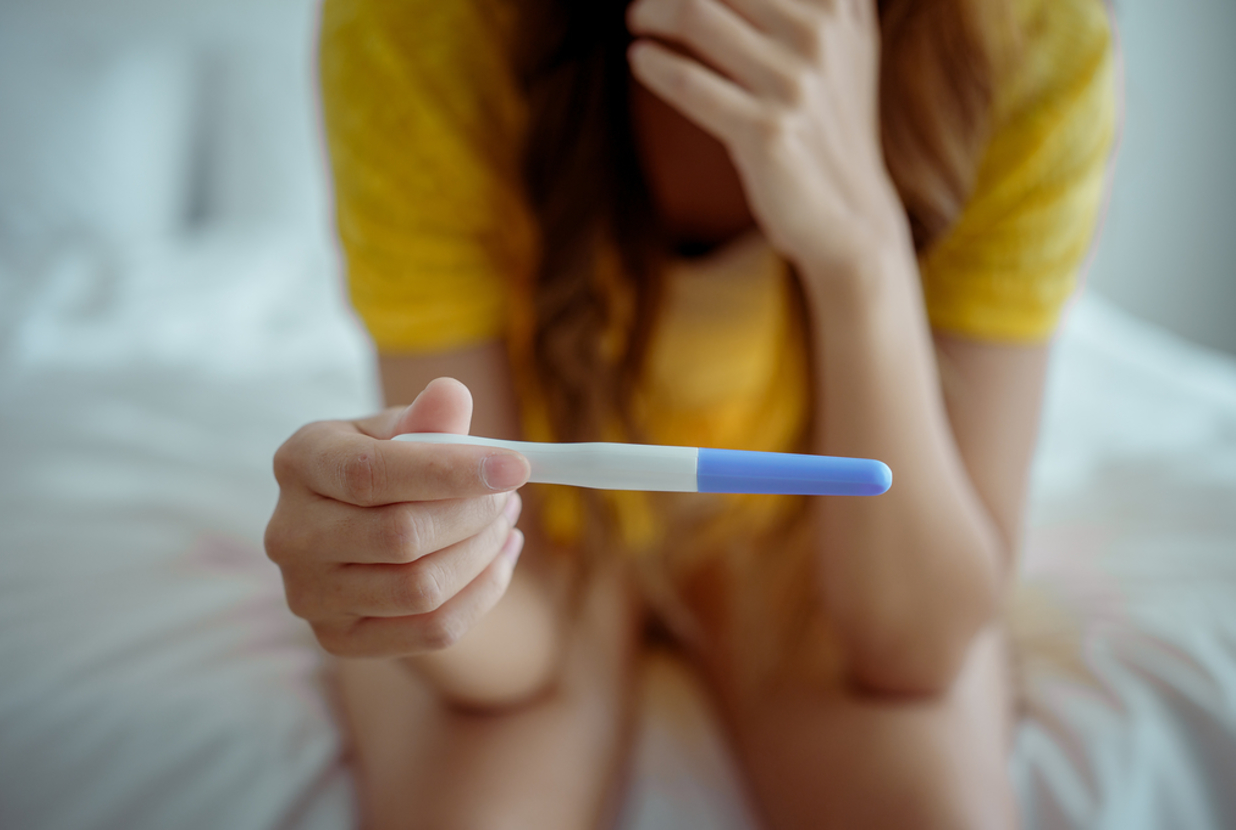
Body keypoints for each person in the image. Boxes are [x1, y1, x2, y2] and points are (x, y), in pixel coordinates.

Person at [265, 0, 1117, 826]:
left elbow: (918, 643)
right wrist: (421, 577)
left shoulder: (1032, 40)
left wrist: (861, 253)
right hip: (553, 541)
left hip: (819, 555)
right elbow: (510, 636)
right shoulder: (420, 22)